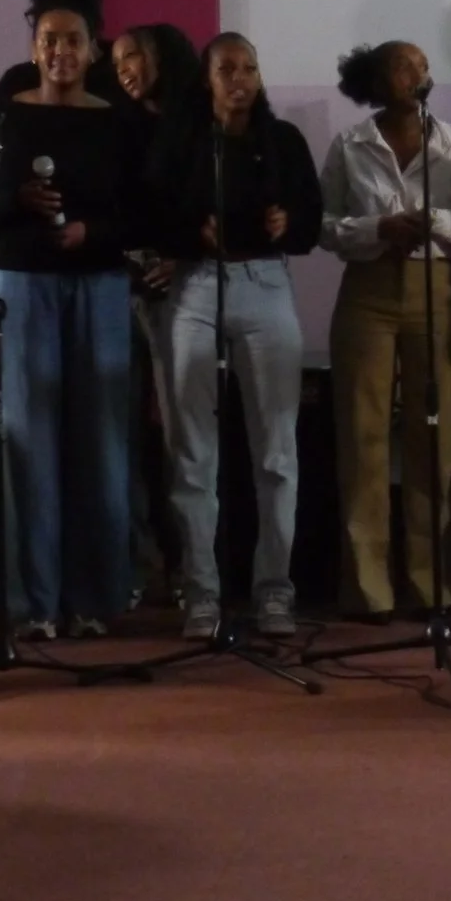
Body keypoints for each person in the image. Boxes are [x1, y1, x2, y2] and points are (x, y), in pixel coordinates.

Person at [0, 0, 138, 640]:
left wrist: (92, 231)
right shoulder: (4, 117)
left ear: (93, 50)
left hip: (99, 285)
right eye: (48, 39)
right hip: (23, 283)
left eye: (72, 40)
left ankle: (93, 598)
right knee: (28, 443)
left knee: (100, 443)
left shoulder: (117, 121)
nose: (60, 51)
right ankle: (34, 603)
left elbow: (145, 209)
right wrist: (16, 198)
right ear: (33, 47)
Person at [143, 33, 321, 640]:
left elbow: (311, 221)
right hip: (195, 286)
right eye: (227, 69)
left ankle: (274, 592)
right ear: (207, 79)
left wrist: (287, 221)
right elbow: (153, 211)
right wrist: (193, 230)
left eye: (249, 68)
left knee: (276, 450)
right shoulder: (184, 139)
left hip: (264, 281)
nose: (240, 78)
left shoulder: (283, 140)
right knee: (193, 452)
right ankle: (202, 594)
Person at [321, 40, 451, 618]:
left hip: (433, 289)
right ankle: (369, 589)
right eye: (402, 64)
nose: (417, 72)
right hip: (367, 294)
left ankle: (430, 583)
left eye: (422, 65)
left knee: (433, 438)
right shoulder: (350, 144)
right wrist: (377, 228)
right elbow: (324, 226)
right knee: (363, 439)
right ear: (376, 78)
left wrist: (433, 220)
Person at [113, 22, 202, 610]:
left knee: (181, 437)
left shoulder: (199, 126)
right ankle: (134, 567)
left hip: (182, 289)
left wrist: (182, 257)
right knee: (120, 435)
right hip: (119, 286)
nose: (123, 69)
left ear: (163, 58)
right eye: (117, 60)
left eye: (133, 57)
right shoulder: (114, 125)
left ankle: (192, 568)